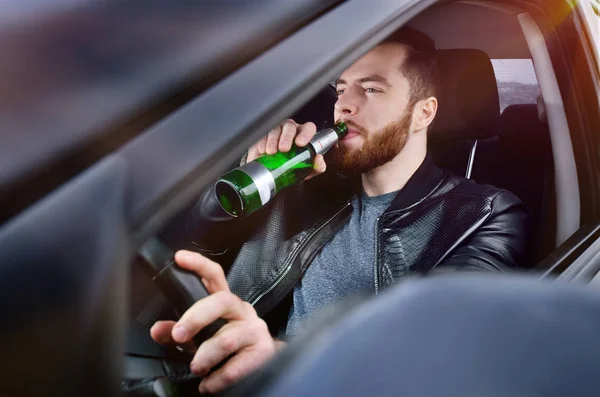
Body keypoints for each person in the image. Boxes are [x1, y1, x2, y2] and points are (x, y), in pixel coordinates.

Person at [150, 27, 529, 394]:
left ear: (423, 113)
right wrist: (247, 169)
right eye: (342, 88)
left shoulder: (485, 213)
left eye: (371, 89)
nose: (345, 104)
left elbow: (441, 349)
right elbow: (192, 244)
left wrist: (277, 358)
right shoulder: (305, 187)